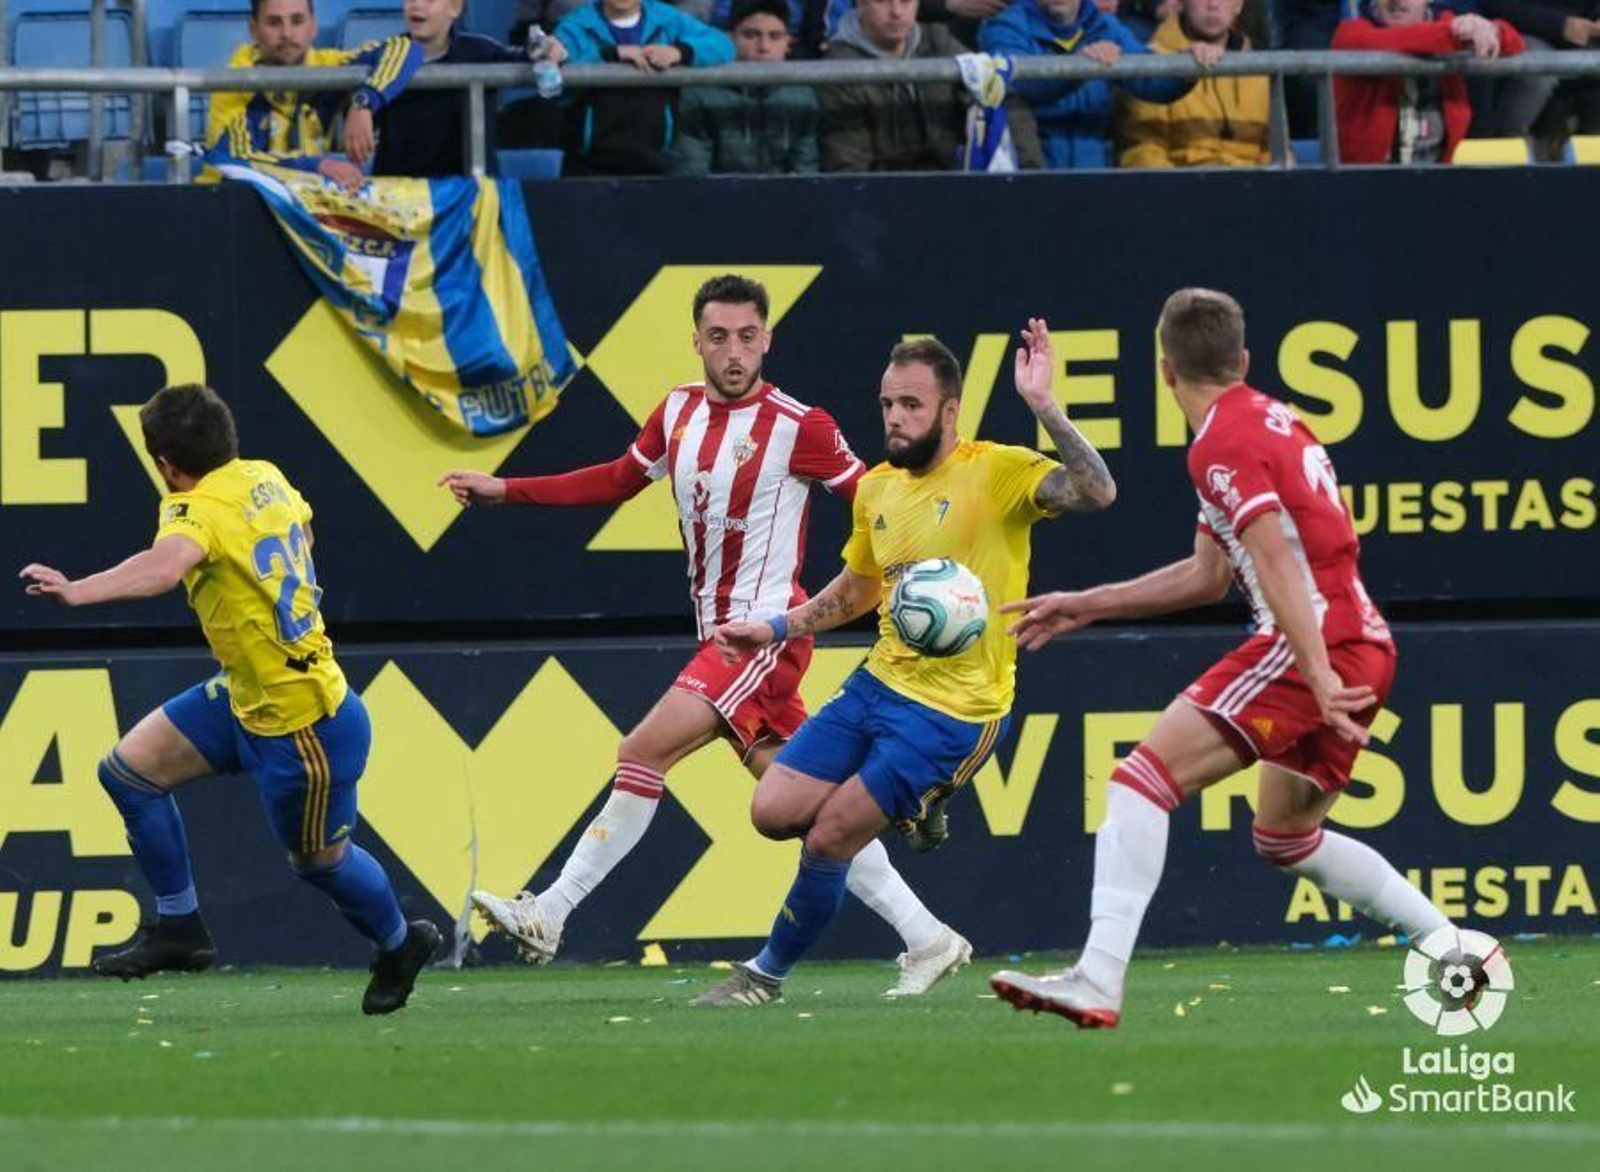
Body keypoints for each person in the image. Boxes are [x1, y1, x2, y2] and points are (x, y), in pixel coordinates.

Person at [440, 275, 972, 997]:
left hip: (762, 641)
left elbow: (879, 496)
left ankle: (554, 910)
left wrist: (935, 555)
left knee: (643, 750)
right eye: (718, 336)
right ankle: (929, 936)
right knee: (818, 808)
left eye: (747, 336)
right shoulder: (677, 412)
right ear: (695, 340)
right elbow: (616, 480)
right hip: (721, 640)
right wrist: (509, 490)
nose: (733, 351)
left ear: (767, 341)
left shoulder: (800, 425)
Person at [989, 289, 1453, 1028]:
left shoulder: (1220, 443)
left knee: (1140, 781)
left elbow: (1270, 556)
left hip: (1315, 648)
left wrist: (1318, 673)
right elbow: (1209, 573)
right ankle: (1455, 948)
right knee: (1285, 836)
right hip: (1360, 646)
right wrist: (1087, 602)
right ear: (1242, 360)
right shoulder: (1273, 421)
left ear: (1164, 370)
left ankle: (1098, 977)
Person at [692, 325, 1117, 1007]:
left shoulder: (996, 470)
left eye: (912, 406)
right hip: (878, 683)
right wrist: (773, 628)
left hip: (956, 711)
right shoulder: (877, 489)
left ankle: (763, 977)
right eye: (888, 404)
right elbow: (855, 591)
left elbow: (1097, 492)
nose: (895, 417)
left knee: (831, 836)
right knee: (772, 810)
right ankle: (922, 834)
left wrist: (1044, 407)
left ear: (949, 411)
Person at [18, 385, 438, 1015]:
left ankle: (400, 945)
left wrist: (78, 591)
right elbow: (306, 528)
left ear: (165, 464)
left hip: (302, 724)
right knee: (129, 772)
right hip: (246, 693)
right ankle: (180, 927)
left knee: (320, 863)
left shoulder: (192, 508)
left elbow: (164, 568)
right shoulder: (263, 477)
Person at [204, 0, 423, 191]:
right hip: (233, 204)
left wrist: (364, 103)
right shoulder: (236, 81)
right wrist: (318, 166)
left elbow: (405, 47)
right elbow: (236, 159)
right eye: (274, 22)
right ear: (254, 30)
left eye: (297, 20)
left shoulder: (329, 68)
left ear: (313, 26)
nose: (287, 34)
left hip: (304, 207)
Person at [821, 0, 1043, 171]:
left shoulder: (938, 41)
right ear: (860, 3)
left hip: (945, 188)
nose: (896, 12)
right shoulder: (839, 68)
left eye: (906, 1)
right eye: (882, 1)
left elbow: (997, 93)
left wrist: (1028, 175)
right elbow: (848, 164)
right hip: (879, 201)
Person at [978, 0, 1194, 169]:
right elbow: (1021, 85)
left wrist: (1190, 66)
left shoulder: (1103, 26)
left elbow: (1153, 82)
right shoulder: (1006, 26)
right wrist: (1079, 65)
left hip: (1095, 177)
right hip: (1029, 176)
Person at [547, 0, 736, 174]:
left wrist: (680, 52)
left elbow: (723, 45)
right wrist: (611, 54)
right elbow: (559, 78)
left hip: (657, 163)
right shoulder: (575, 25)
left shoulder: (668, 19)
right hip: (587, 165)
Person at [1331, 0, 1524, 165]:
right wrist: (1458, 35)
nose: (1396, 0)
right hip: (1364, 189)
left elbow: (1514, 42)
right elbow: (1396, 40)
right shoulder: (1350, 34)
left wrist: (1490, 30)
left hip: (1437, 182)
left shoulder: (1451, 27)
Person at [370, 0, 549, 177]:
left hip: (467, 196)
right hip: (400, 196)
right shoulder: (383, 55)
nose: (417, 4)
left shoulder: (480, 52)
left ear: (455, 7)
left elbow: (530, 56)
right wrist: (359, 108)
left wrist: (550, 50)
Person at [670, 0, 820, 175]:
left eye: (775, 36)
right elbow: (691, 175)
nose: (764, 47)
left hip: (784, 199)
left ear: (789, 42)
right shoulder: (699, 93)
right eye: (750, 35)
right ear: (730, 38)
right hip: (717, 198)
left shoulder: (802, 95)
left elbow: (806, 174)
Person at [1117, 0, 1269, 168]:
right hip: (1182, 186)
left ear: (1239, 6)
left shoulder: (1259, 66)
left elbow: (1271, 149)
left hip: (1250, 185)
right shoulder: (1153, 62)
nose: (1213, 5)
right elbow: (1143, 149)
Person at [1474, 0, 1598, 138]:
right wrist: (1560, 25)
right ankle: (1506, 145)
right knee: (1538, 72)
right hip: (1524, 30)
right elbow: (1494, 5)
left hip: (1585, 35)